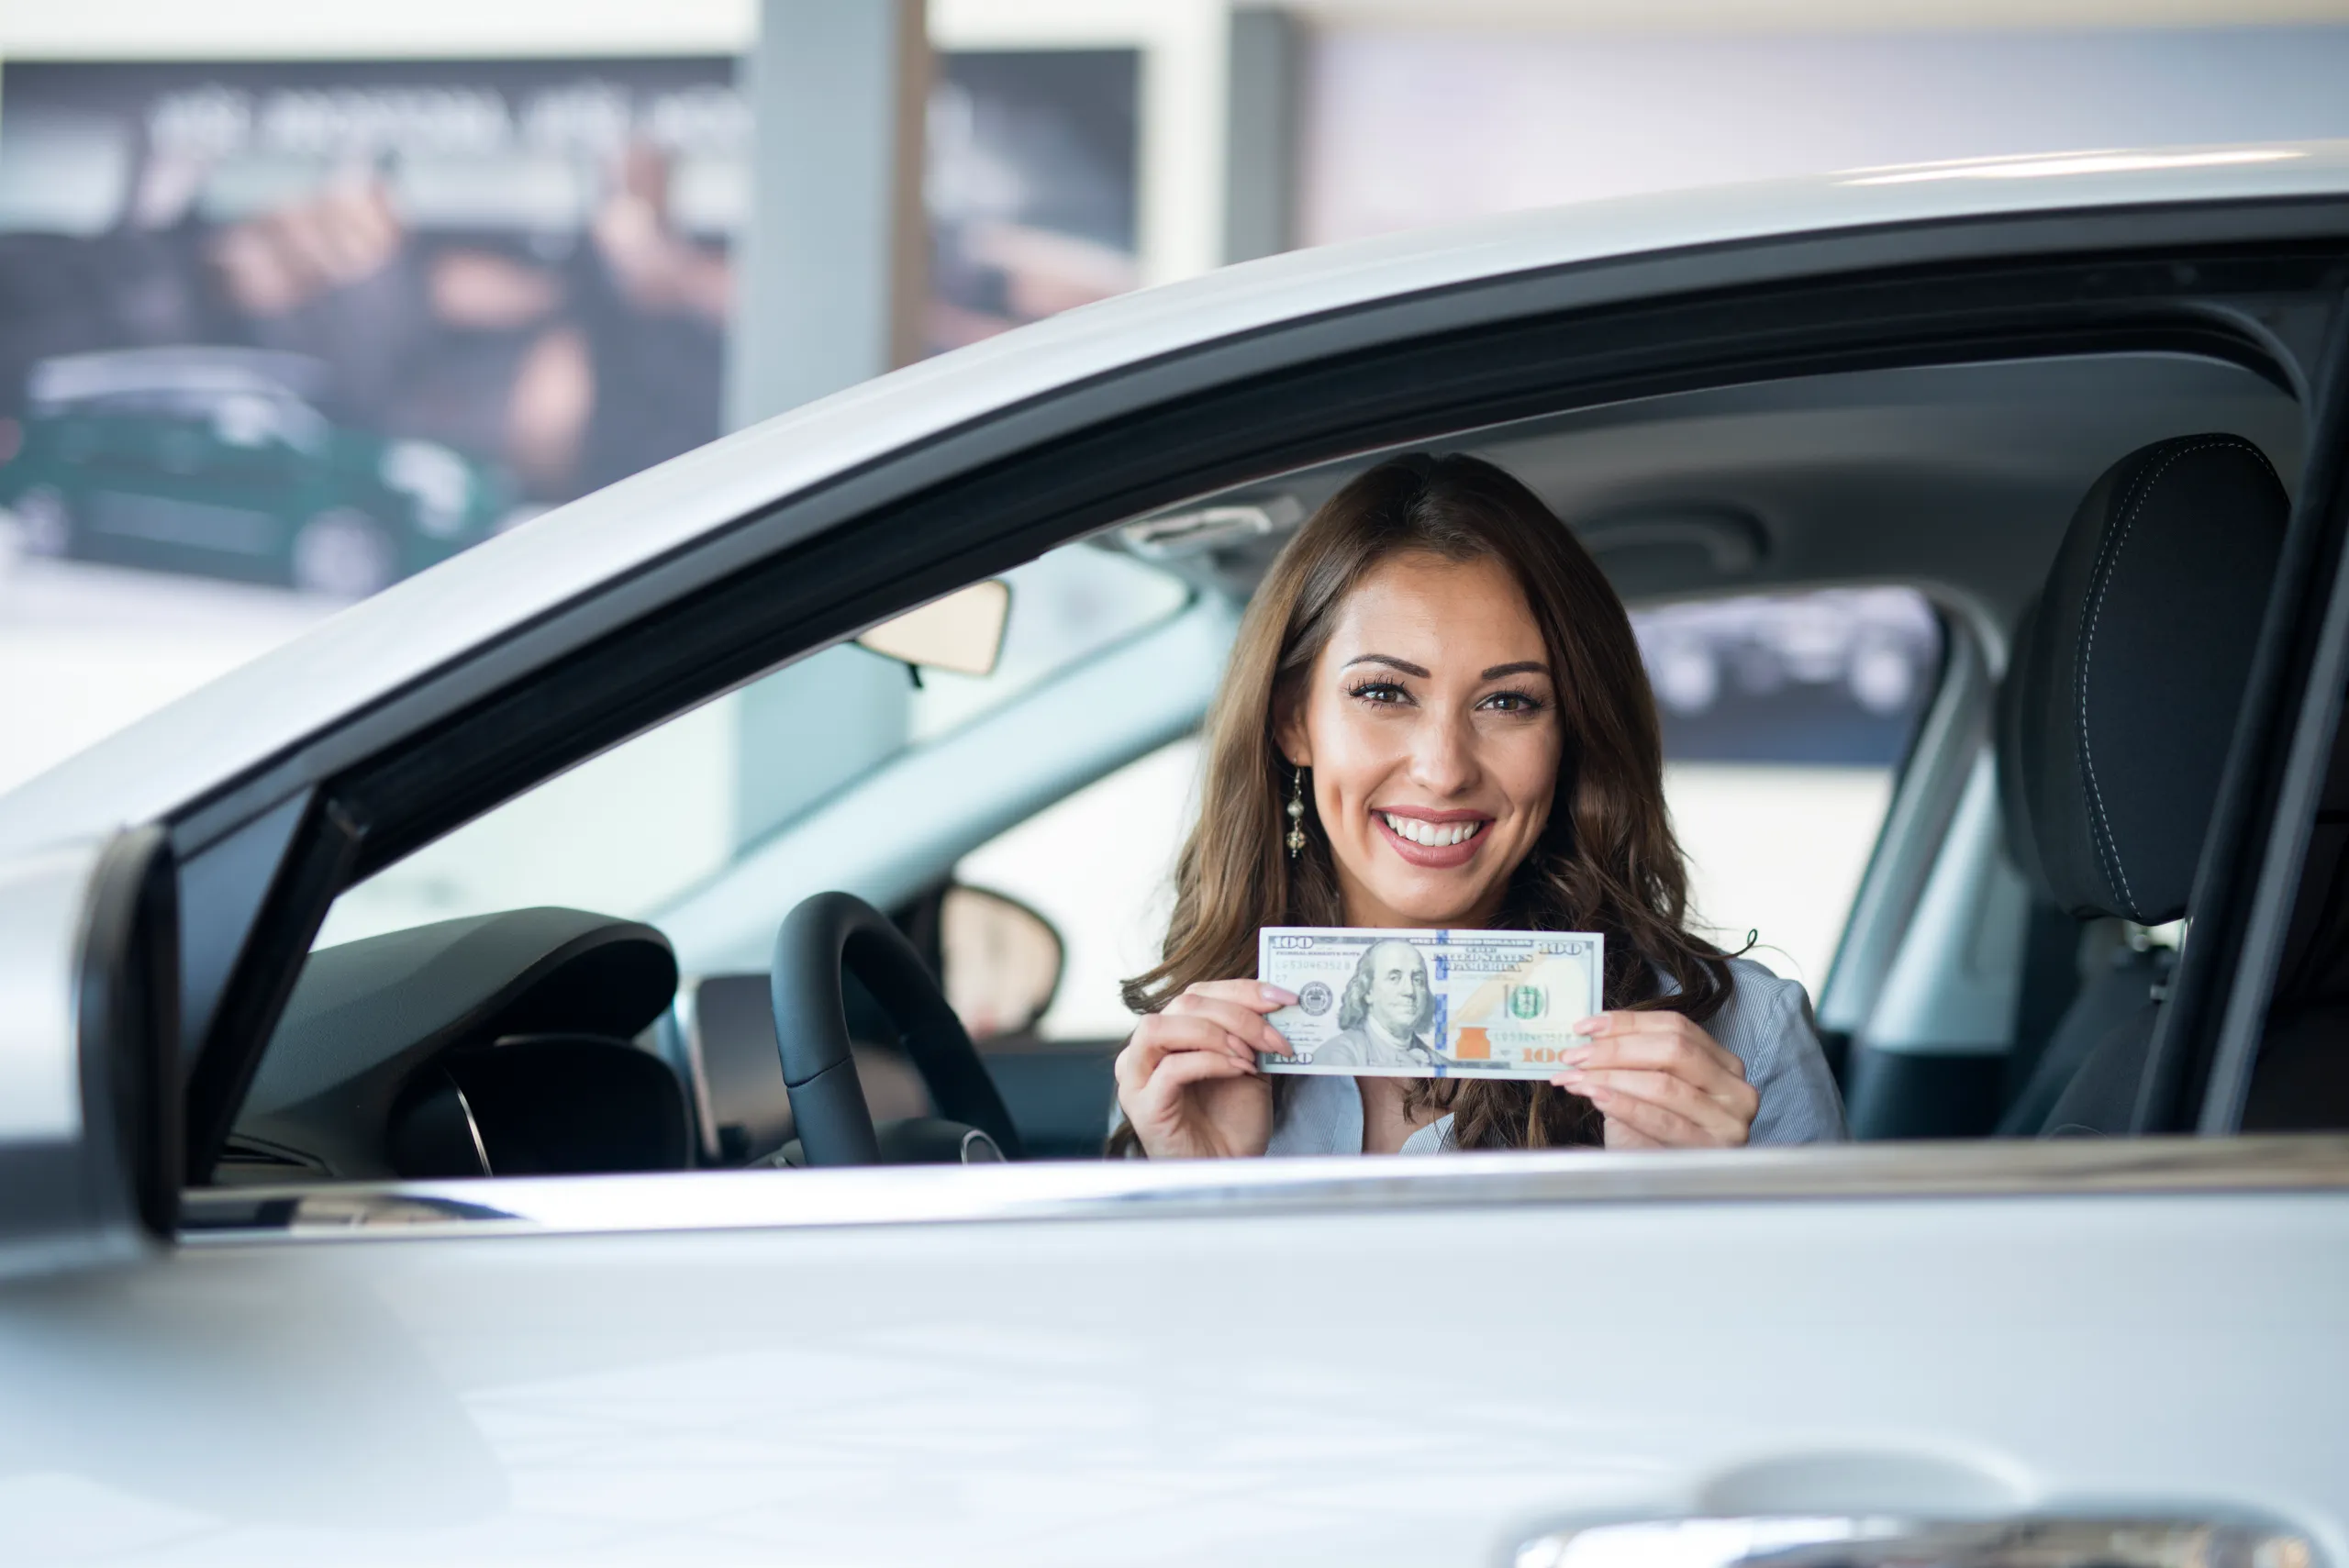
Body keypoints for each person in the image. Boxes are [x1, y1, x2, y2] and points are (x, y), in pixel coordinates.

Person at [1109, 453, 1847, 1158]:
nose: (1442, 769)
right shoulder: (1189, 1052)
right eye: (1383, 693)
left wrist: (1693, 1216)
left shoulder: (1742, 1042)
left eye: (1508, 701)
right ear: (1293, 721)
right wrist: (1200, 1190)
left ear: (1570, 735)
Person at [1310, 939, 1442, 1070]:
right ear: (1368, 991)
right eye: (1394, 978)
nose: (1410, 991)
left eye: (1418, 980)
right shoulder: (1337, 1056)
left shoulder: (1441, 1063)